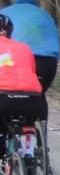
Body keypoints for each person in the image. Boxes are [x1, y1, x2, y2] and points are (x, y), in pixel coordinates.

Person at [0, 14, 46, 156]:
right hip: (32, 99)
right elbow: (32, 71)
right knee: (28, 122)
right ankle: (29, 156)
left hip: (4, 98)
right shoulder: (24, 47)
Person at [0, 0, 60, 92]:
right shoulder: (46, 16)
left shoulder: (5, 13)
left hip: (16, 59)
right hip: (47, 61)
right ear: (34, 3)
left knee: (7, 92)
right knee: (37, 96)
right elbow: (57, 40)